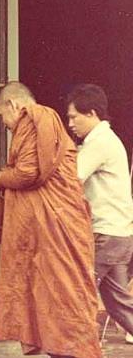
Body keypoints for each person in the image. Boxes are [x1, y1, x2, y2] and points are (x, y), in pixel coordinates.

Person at [0, 82, 104, 358]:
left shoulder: (36, 116)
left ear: (13, 106)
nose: (6, 125)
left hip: (61, 230)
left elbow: (29, 172)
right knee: (48, 309)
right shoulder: (38, 122)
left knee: (70, 302)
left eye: (3, 118)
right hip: (46, 233)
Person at [67, 84, 133, 335]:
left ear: (91, 113)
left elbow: (71, 179)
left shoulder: (100, 142)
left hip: (105, 235)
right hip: (118, 235)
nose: (70, 123)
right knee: (119, 306)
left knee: (75, 296)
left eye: (74, 117)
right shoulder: (103, 140)